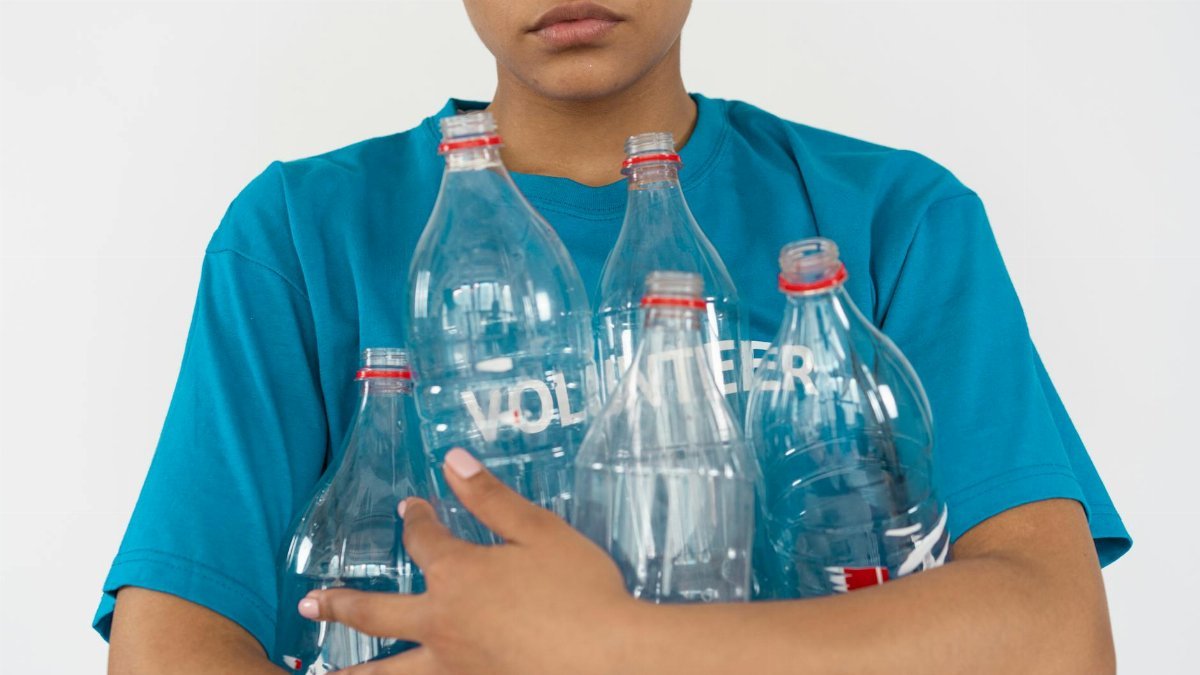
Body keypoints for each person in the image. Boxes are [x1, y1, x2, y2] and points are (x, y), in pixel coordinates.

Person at [99, 1, 1130, 673]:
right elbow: (171, 644)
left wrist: (609, 642)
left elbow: (1055, 636)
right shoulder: (301, 235)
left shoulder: (893, 218)